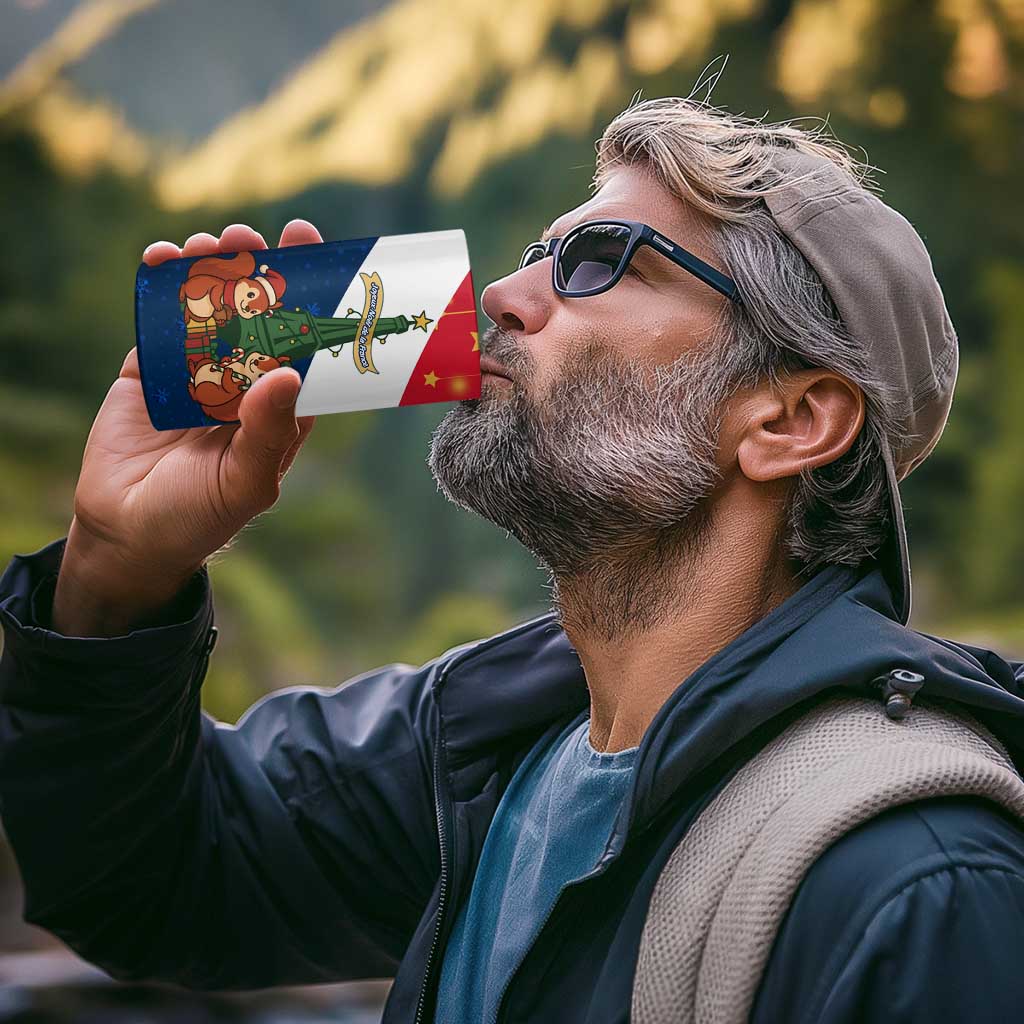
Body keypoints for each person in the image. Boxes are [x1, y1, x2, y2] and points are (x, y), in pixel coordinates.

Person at [2, 95, 1024, 1024]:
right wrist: (116, 570)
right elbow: (149, 880)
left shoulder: (918, 884)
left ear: (791, 419)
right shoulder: (479, 749)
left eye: (599, 261)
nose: (500, 292)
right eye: (540, 252)